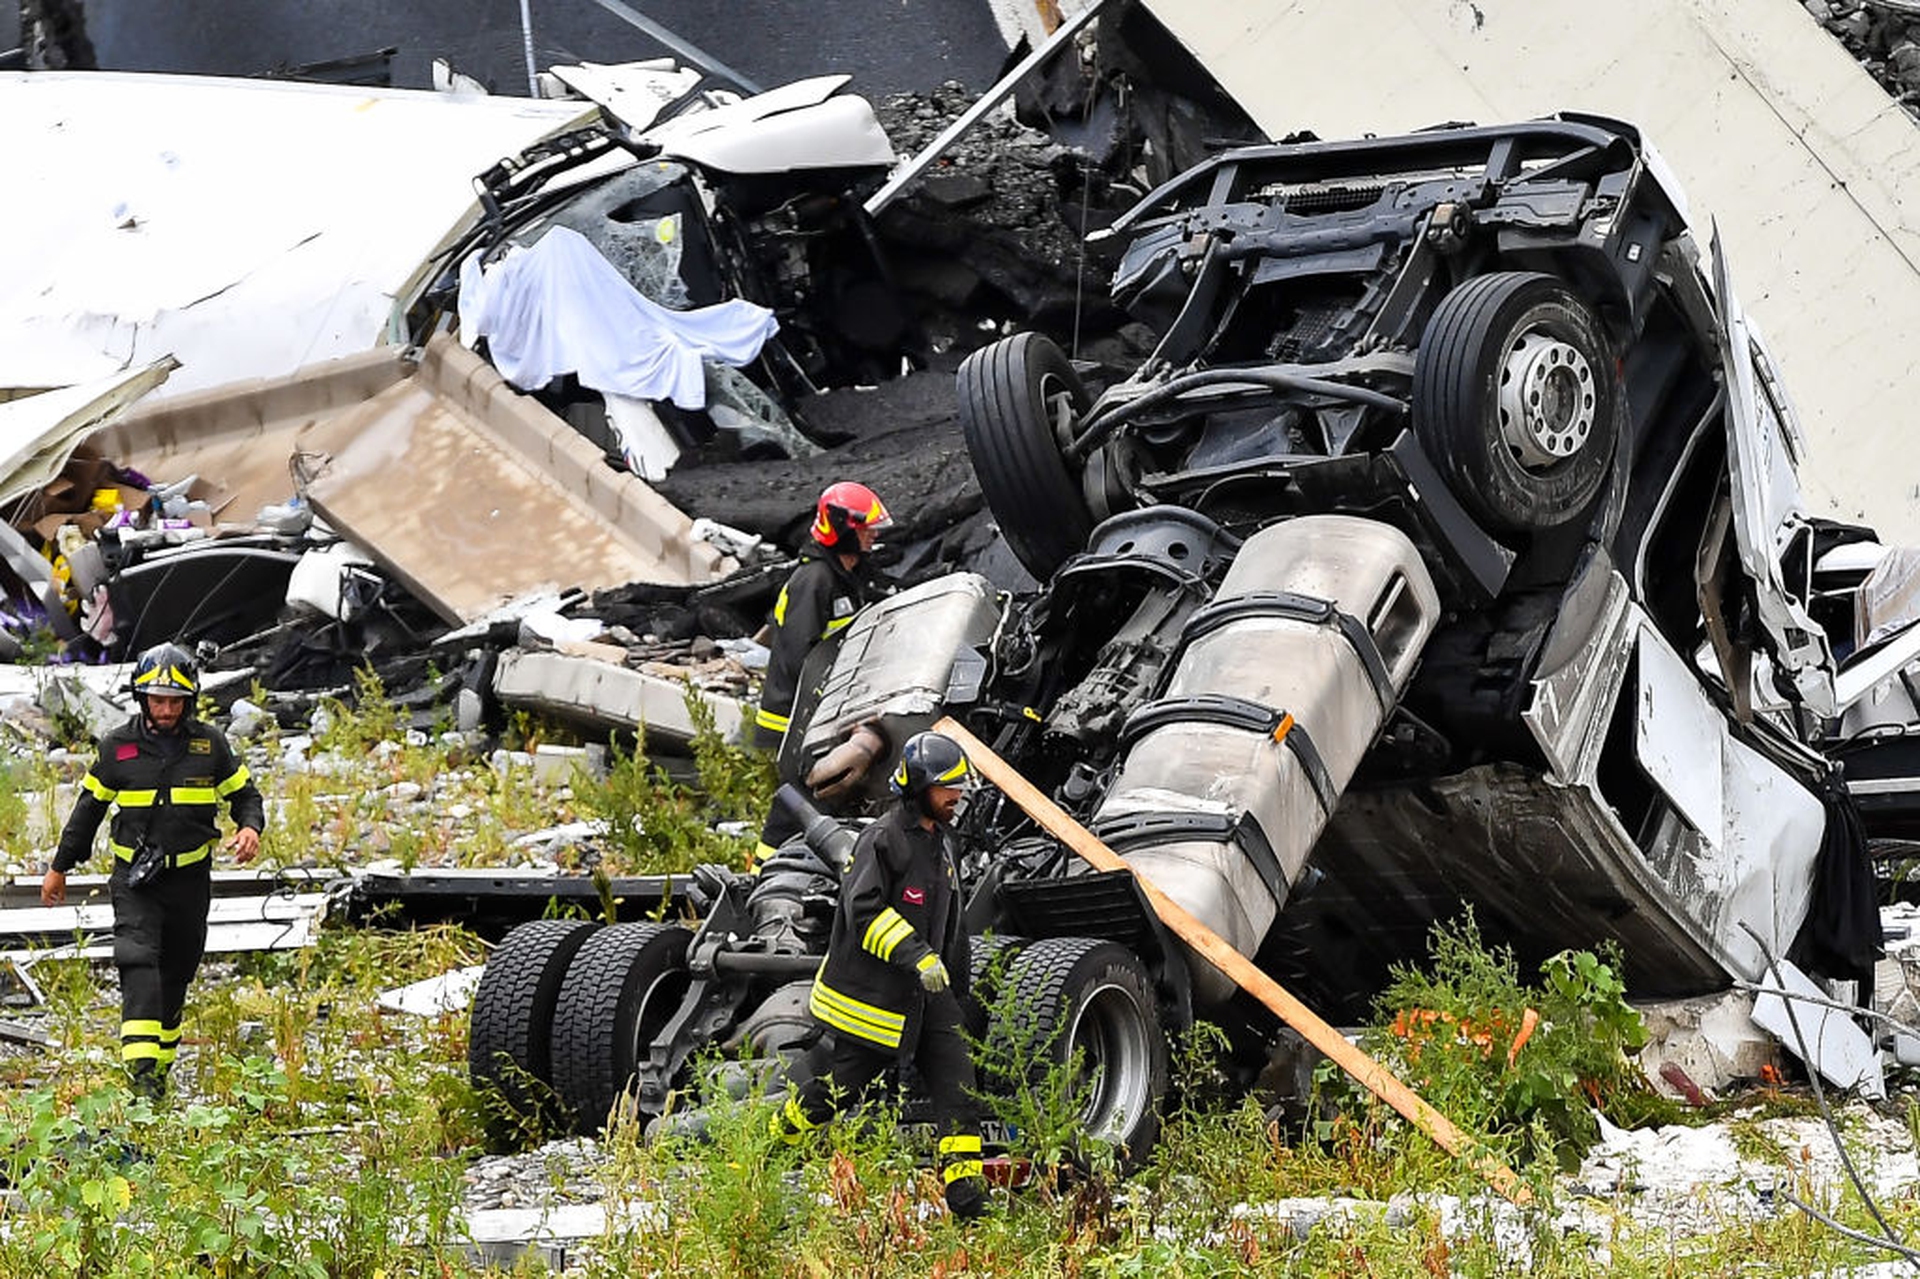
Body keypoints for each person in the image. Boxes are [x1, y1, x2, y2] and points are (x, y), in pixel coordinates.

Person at [770, 731, 991, 1220]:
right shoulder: (883, 840)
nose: (958, 796)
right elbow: (863, 911)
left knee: (959, 1086)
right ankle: (771, 1145)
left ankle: (966, 1196)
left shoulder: (942, 841)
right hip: (877, 1002)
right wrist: (916, 956)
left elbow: (949, 922)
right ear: (918, 788)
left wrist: (955, 988)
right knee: (838, 1087)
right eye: (948, 787)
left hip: (931, 999)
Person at [41, 641, 265, 1101]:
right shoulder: (116, 748)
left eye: (174, 701)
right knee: (138, 962)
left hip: (190, 881)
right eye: (157, 700)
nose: (165, 709)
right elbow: (88, 813)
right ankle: (142, 1081)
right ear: (142, 699)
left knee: (177, 974)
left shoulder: (211, 745)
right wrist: (59, 867)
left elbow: (246, 796)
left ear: (189, 701)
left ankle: (158, 1074)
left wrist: (249, 828)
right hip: (135, 881)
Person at [750, 481, 892, 865]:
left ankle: (806, 868)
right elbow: (801, 659)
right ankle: (764, 871)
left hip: (827, 713)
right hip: (792, 718)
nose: (873, 534)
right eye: (865, 527)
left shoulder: (851, 575)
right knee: (802, 798)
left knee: (830, 795)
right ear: (842, 528)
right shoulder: (814, 582)